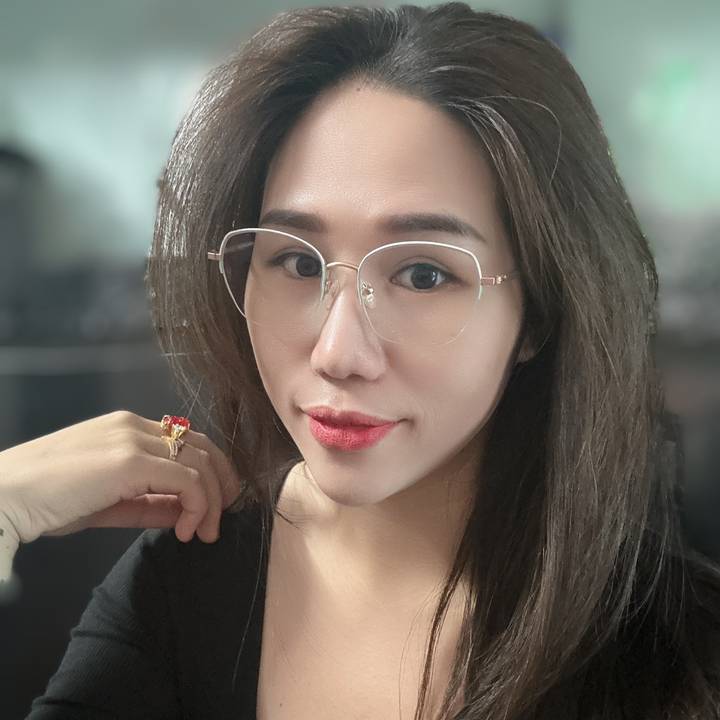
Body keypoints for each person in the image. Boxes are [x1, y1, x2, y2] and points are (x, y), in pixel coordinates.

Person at [2, 3, 719, 718]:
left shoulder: (681, 646)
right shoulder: (186, 583)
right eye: (296, 262)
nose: (337, 352)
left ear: (538, 312)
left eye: (424, 275)